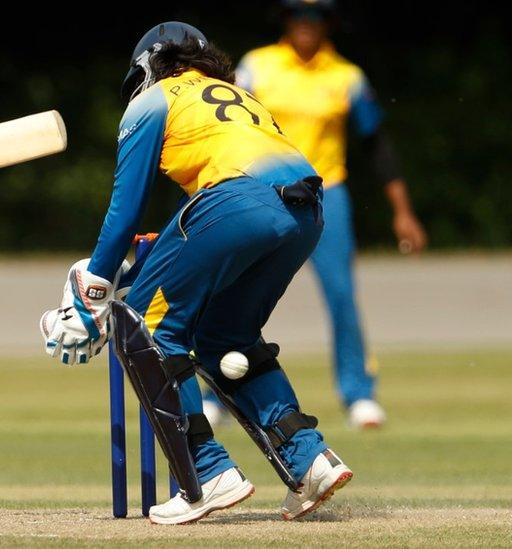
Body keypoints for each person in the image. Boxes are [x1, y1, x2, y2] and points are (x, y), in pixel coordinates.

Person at [40, 22, 352, 523]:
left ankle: (205, 474)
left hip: (237, 201)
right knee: (225, 335)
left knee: (145, 322)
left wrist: (93, 290)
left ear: (147, 67)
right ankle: (308, 458)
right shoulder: (235, 93)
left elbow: (125, 213)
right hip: (306, 209)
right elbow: (220, 206)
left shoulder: (151, 100)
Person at [219, 0, 428, 428]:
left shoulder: (346, 76)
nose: (306, 24)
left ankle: (358, 394)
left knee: (341, 294)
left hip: (325, 192)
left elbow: (376, 143)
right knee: (233, 287)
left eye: (315, 16)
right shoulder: (257, 66)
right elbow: (227, 126)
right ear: (285, 20)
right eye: (298, 15)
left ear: (328, 23)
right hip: (262, 188)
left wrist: (402, 212)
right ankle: (215, 392)